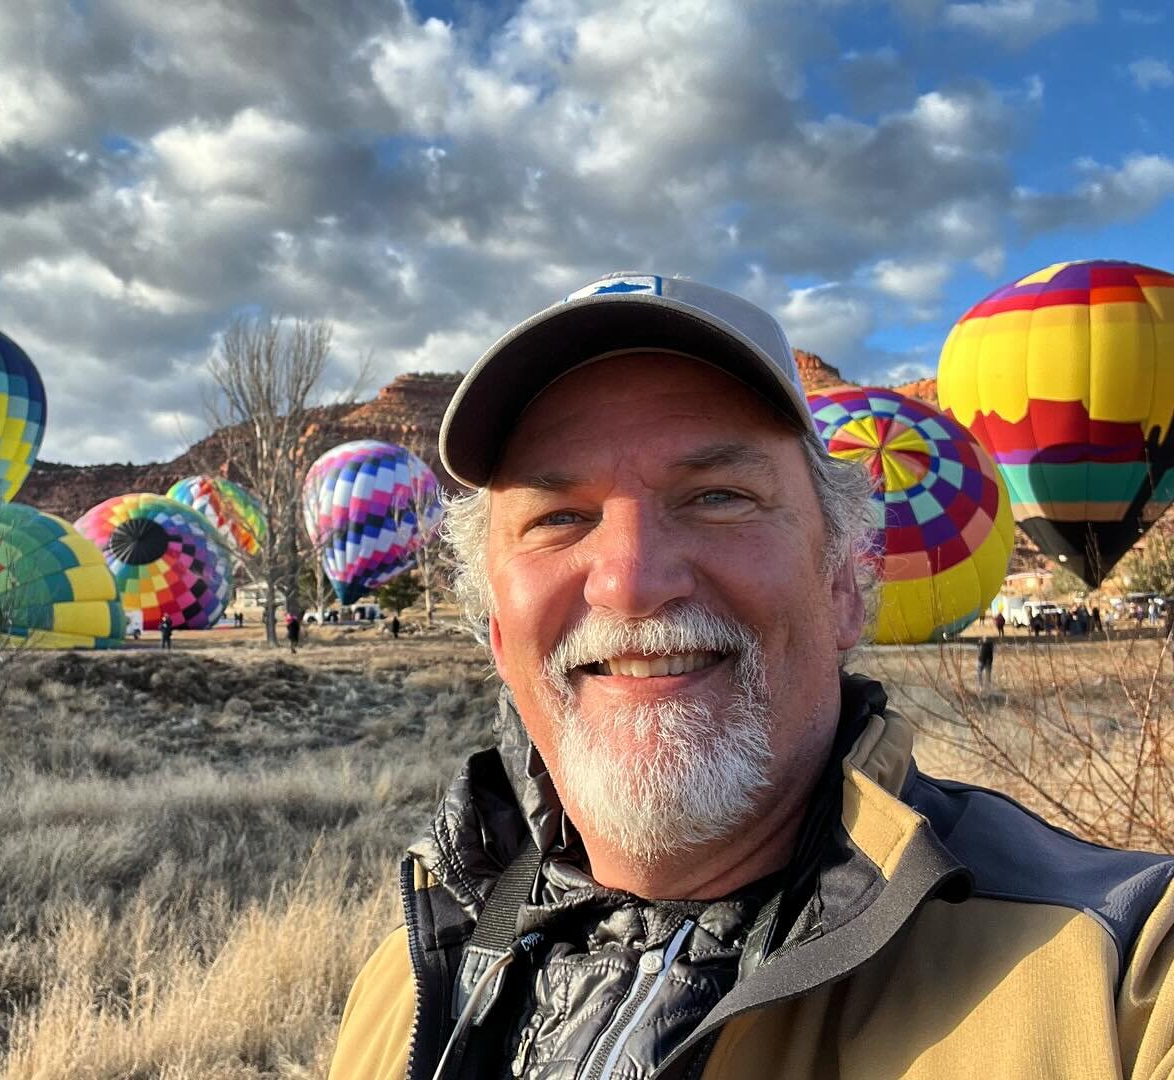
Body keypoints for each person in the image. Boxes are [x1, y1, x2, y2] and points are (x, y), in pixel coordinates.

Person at [329, 273, 1174, 1080]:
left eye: (719, 497)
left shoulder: (1118, 976)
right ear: (498, 631)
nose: (631, 580)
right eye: (558, 518)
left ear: (845, 587)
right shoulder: (406, 987)